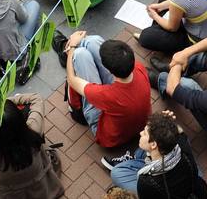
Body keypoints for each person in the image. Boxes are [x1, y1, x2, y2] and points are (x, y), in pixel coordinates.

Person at [55, 30, 152, 160]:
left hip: (110, 137)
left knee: (80, 54)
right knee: (91, 41)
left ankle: (66, 51)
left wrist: (72, 48)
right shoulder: (139, 68)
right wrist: (83, 39)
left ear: (110, 70)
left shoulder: (107, 94)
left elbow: (72, 80)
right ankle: (77, 45)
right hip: (137, 123)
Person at [0, 93, 64, 198]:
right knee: (26, 109)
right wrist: (6, 102)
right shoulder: (34, 128)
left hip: (8, 193)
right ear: (20, 122)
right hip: (39, 188)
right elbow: (36, 98)